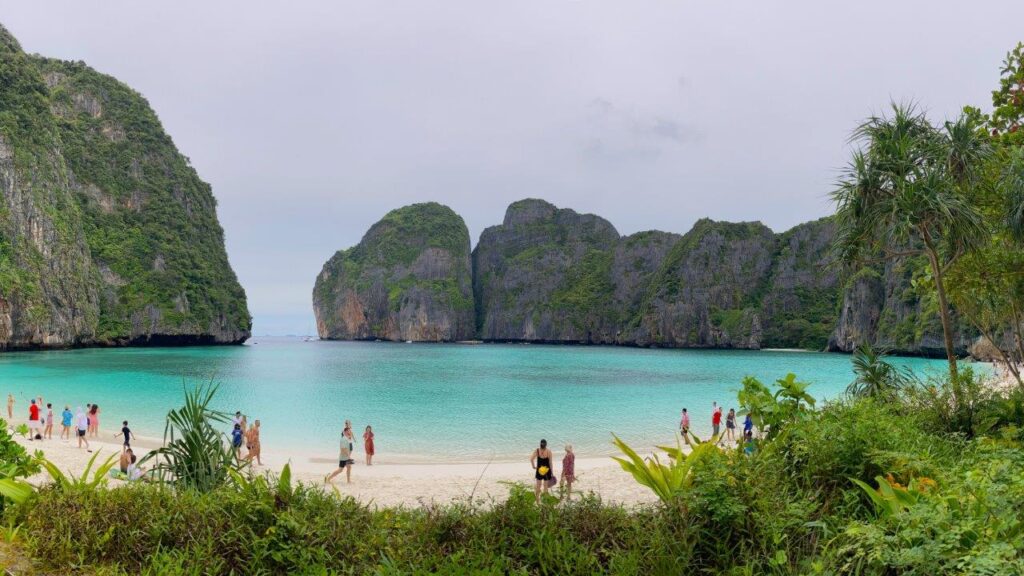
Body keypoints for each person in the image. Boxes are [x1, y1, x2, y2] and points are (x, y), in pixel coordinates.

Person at [530, 439, 555, 505]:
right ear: (546, 445)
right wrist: (552, 472)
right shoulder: (549, 451)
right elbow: (550, 463)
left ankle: (537, 502)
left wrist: (533, 466)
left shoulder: (537, 450)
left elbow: (531, 459)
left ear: (540, 444)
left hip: (539, 471)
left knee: (538, 486)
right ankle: (545, 502)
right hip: (547, 471)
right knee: (545, 487)